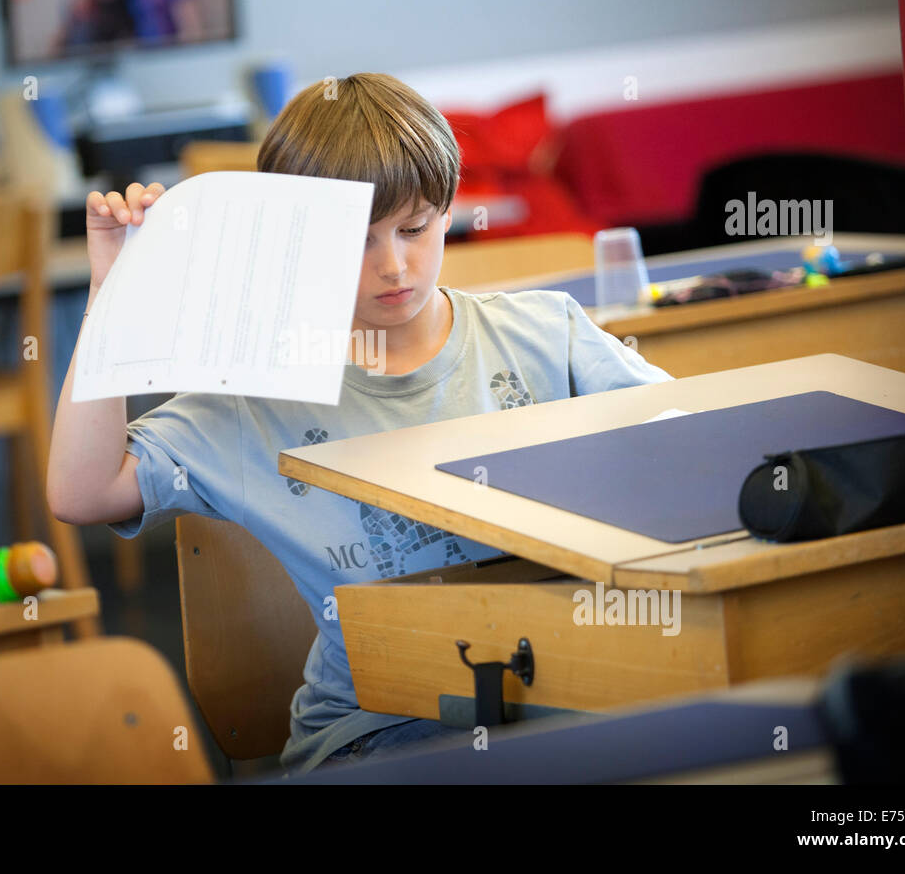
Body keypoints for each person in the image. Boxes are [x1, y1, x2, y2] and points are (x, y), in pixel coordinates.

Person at [47, 73, 672, 774]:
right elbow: (84, 491)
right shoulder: (254, 398)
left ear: (449, 208)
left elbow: (690, 442)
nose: (394, 266)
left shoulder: (544, 333)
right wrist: (111, 297)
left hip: (567, 697)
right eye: (356, 244)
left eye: (415, 228)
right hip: (377, 730)